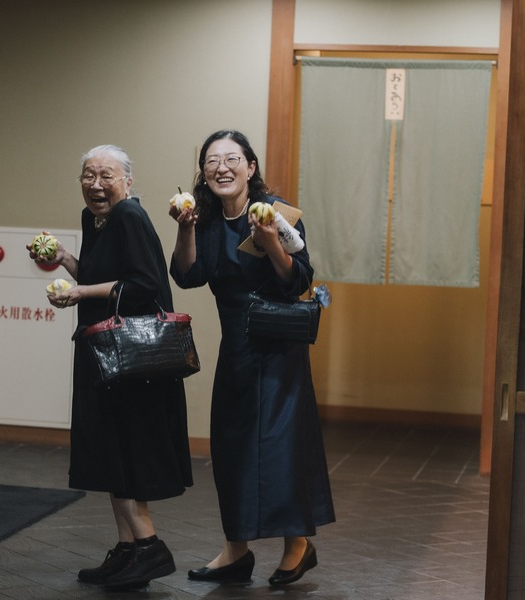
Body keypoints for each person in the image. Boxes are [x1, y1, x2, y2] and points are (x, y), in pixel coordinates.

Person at [168, 130, 335, 586]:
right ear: (203, 171)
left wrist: (272, 241)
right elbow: (187, 275)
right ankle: (235, 551)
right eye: (211, 160)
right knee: (231, 449)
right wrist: (185, 227)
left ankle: (297, 545)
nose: (221, 167)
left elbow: (299, 280)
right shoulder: (202, 219)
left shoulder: (276, 213)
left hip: (279, 351)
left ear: (250, 167)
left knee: (281, 448)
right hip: (237, 350)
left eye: (232, 159)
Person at [29, 144, 193, 589]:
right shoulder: (95, 219)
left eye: (107, 175)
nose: (96, 184)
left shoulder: (129, 215)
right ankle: (127, 550)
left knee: (124, 452)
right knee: (108, 452)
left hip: (129, 363)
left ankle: (150, 548)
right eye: (88, 175)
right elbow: (99, 276)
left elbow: (144, 285)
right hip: (103, 354)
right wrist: (65, 260)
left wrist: (80, 294)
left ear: (128, 181)